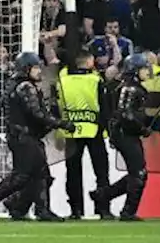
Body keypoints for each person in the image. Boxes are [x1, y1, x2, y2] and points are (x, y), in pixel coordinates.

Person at [0, 51, 72, 220]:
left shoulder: (15, 84)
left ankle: (24, 207)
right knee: (22, 176)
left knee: (39, 175)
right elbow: (37, 114)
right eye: (36, 67)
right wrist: (61, 123)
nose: (39, 71)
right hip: (24, 137)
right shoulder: (25, 86)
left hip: (22, 136)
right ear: (26, 69)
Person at [90, 53, 152, 221]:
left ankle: (103, 195)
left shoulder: (125, 86)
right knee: (139, 173)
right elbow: (126, 114)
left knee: (136, 173)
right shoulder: (131, 89)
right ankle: (127, 211)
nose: (148, 71)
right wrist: (142, 128)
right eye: (144, 69)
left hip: (123, 134)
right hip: (126, 135)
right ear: (135, 70)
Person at [56, 46, 111, 219]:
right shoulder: (96, 80)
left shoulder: (63, 80)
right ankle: (103, 209)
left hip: (71, 131)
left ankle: (76, 210)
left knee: (73, 172)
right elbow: (105, 107)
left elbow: (57, 105)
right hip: (93, 130)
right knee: (101, 172)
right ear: (89, 62)